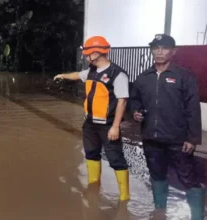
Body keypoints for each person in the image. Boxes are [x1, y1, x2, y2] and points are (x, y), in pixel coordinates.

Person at [130, 34, 204, 219]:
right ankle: (159, 212)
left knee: (188, 178)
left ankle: (197, 215)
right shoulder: (143, 77)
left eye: (164, 48)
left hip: (178, 140)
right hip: (151, 138)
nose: (160, 52)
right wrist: (135, 111)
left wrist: (192, 138)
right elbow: (134, 100)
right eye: (156, 48)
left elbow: (193, 108)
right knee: (157, 176)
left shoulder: (184, 76)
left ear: (173, 51)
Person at [54, 36, 130, 201]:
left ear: (98, 53)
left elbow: (122, 102)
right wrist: (62, 76)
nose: (86, 57)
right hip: (90, 124)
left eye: (88, 53)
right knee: (91, 154)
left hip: (108, 125)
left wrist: (115, 126)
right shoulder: (91, 71)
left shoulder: (118, 75)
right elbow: (77, 75)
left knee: (116, 159)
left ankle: (124, 197)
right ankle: (93, 186)